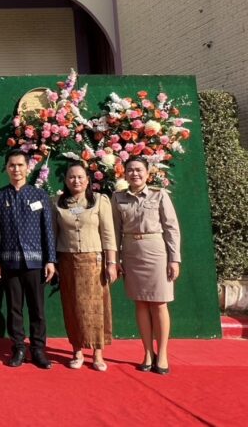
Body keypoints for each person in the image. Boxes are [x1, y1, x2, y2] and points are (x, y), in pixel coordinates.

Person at [111, 156, 181, 375]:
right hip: (131, 253)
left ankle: (163, 353)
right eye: (130, 170)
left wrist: (174, 259)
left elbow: (171, 228)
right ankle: (148, 352)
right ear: (124, 173)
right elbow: (114, 231)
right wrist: (116, 260)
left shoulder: (159, 195)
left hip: (156, 252)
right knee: (140, 303)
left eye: (139, 170)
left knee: (159, 303)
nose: (135, 174)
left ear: (147, 173)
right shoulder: (118, 197)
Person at [0, 150, 57, 369]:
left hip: (36, 262)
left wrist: (50, 260)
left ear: (28, 168)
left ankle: (38, 349)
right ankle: (18, 348)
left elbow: (48, 230)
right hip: (9, 262)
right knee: (14, 308)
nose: (16, 169)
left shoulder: (39, 195)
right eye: (12, 165)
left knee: (37, 309)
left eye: (20, 165)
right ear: (7, 168)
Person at [53, 163, 118, 371]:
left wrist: (111, 263)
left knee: (96, 308)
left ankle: (98, 354)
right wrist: (52, 262)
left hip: (94, 261)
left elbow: (108, 234)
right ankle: (77, 351)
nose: (76, 181)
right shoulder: (57, 203)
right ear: (65, 180)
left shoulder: (99, 201)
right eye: (72, 177)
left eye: (80, 177)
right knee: (72, 306)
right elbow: (53, 235)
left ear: (88, 180)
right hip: (67, 261)